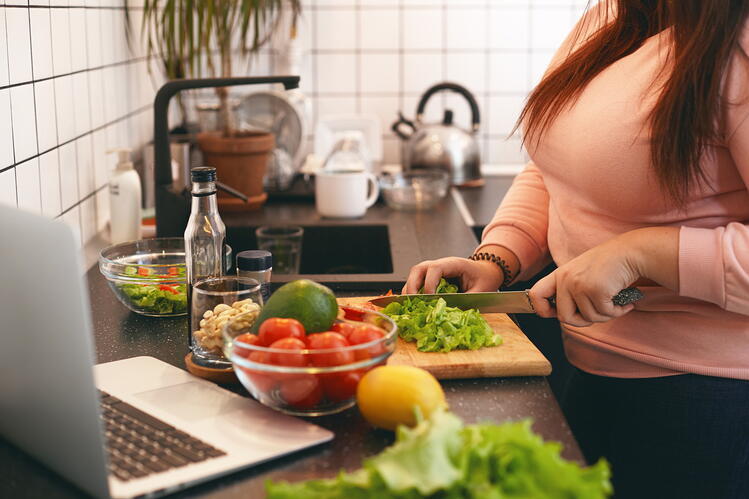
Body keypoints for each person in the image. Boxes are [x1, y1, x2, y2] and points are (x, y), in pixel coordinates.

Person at [403, 1, 749, 498]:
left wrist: (644, 252)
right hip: (581, 366)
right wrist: (498, 258)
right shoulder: (612, 14)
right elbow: (556, 170)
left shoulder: (736, 37)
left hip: (705, 401)